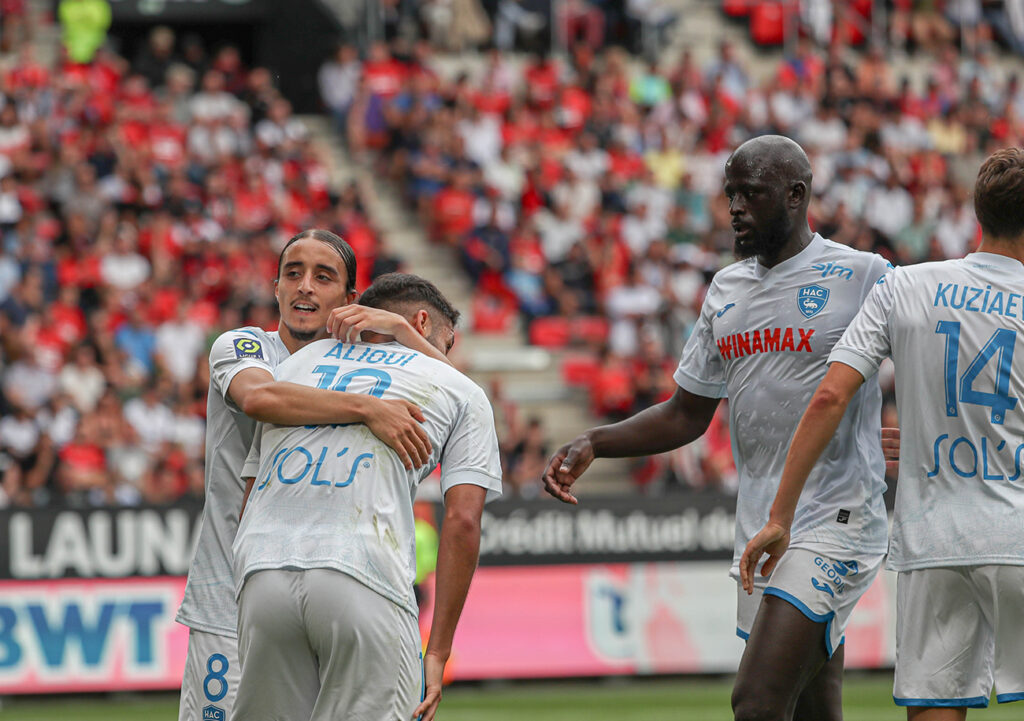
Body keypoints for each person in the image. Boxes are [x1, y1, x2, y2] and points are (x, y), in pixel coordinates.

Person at [544, 135, 894, 721]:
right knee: (813, 706)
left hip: (836, 517)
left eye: (750, 194)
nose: (734, 207)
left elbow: (930, 348)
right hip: (762, 525)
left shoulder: (863, 275)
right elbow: (686, 413)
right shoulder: (725, 290)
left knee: (755, 702)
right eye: (730, 193)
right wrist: (596, 441)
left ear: (796, 194)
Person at [741, 148, 1024, 719]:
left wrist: (780, 516)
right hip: (1017, 530)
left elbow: (830, 395)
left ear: (977, 213)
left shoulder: (907, 286)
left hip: (931, 544)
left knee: (935, 709)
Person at [176, 230, 449, 721]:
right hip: (232, 597)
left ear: (349, 300)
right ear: (276, 287)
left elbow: (459, 398)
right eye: (293, 273)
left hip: (337, 594)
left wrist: (405, 334)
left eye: (322, 277)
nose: (304, 287)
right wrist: (367, 409)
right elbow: (262, 399)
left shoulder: (367, 366)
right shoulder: (243, 346)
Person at [232, 273, 502, 721]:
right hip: (363, 573)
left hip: (262, 571)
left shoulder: (299, 362)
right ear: (420, 321)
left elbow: (251, 487)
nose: (445, 355)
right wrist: (436, 652)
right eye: (447, 342)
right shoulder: (462, 390)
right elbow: (463, 522)